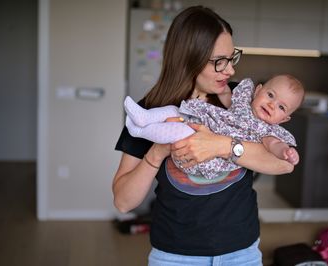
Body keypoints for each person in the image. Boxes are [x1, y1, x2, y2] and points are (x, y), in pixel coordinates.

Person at [113, 6, 295, 266]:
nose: (230, 70)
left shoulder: (242, 101)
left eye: (232, 58)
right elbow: (123, 202)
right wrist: (157, 152)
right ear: (189, 57)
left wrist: (222, 145)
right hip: (175, 257)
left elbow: (285, 162)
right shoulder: (149, 113)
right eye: (220, 61)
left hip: (241, 253)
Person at [124, 75, 304, 182]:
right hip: (201, 124)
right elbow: (225, 94)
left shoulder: (267, 131)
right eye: (270, 95)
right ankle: (145, 118)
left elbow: (274, 146)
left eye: (281, 107)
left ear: (284, 119)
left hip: (202, 158)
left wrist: (286, 151)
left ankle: (140, 132)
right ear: (257, 91)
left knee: (182, 132)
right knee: (175, 111)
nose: (272, 105)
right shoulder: (242, 102)